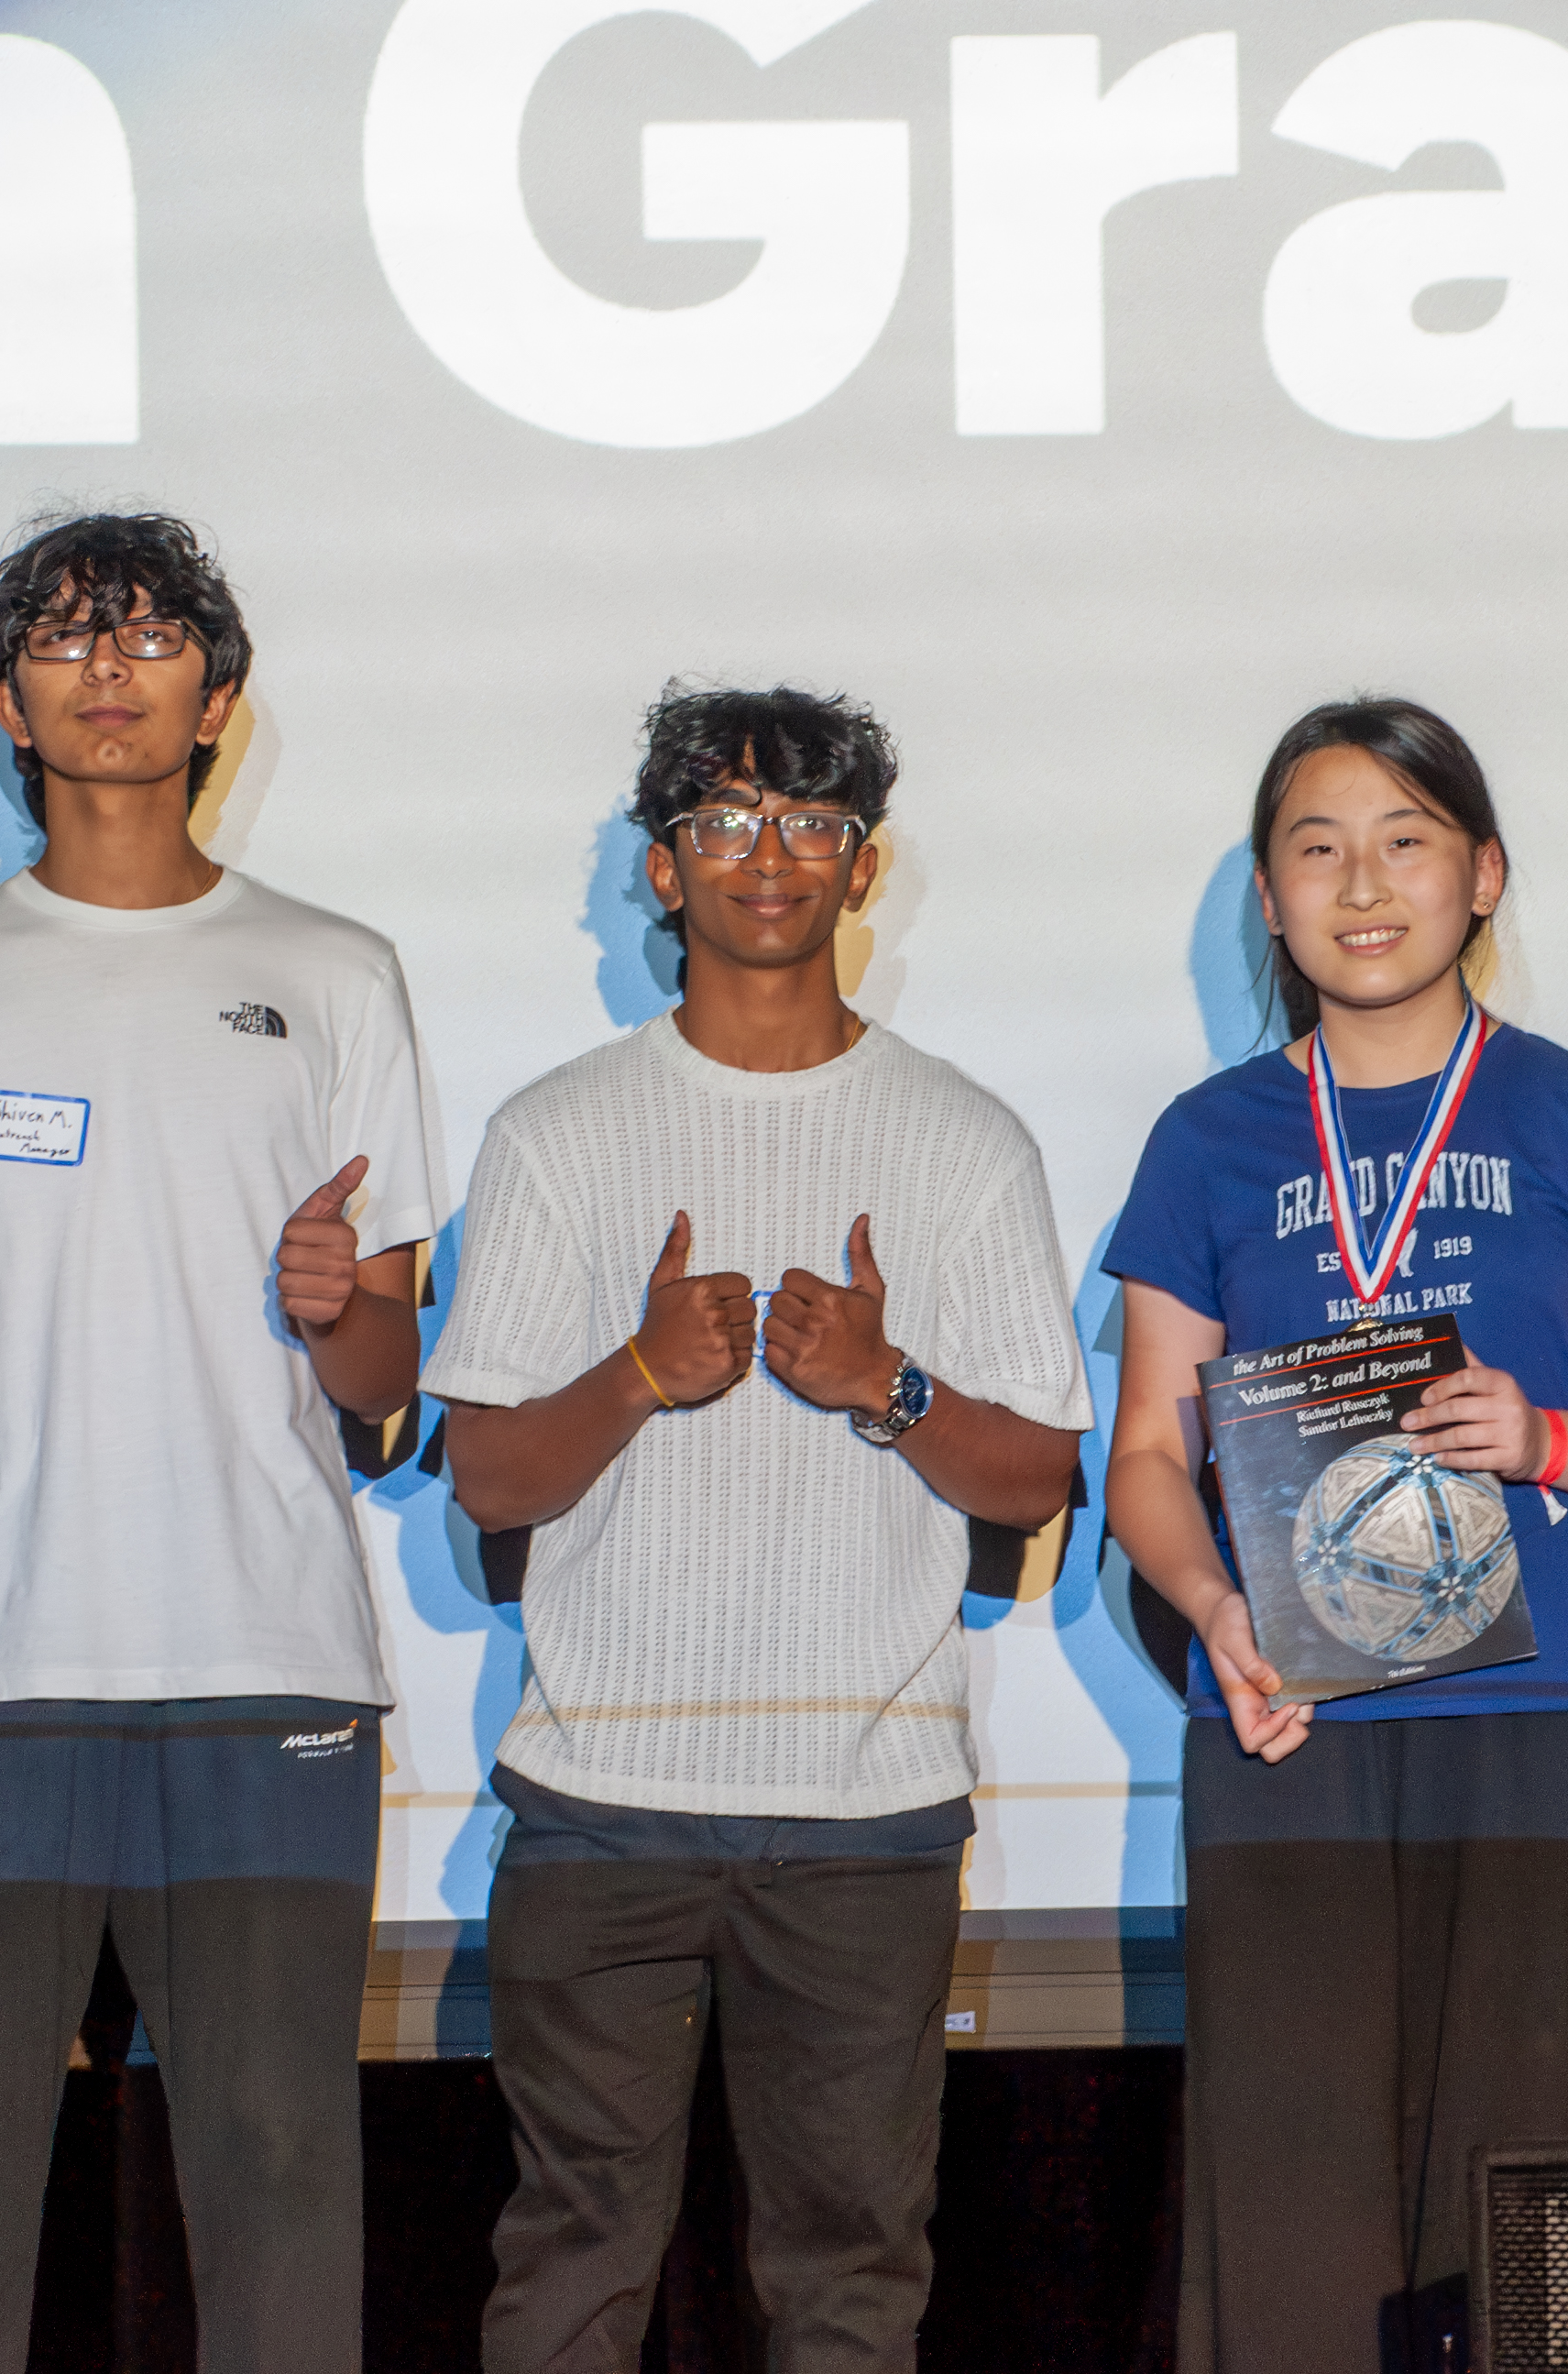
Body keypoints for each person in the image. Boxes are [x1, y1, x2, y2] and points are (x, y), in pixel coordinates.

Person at [0, 512, 444, 2374]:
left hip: (264, 1677)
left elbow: (390, 1379)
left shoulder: (334, 971)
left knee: (276, 2198)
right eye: (68, 640)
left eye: (153, 635)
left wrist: (342, 1300)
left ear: (219, 695)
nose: (111, 668)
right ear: (8, 699)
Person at [422, 685, 1088, 2374]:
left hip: (864, 1820)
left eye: (809, 824)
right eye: (726, 822)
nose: (768, 857)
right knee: (571, 2270)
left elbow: (1038, 1480)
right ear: (663, 870)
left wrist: (890, 1385)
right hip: (602, 1808)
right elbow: (488, 1478)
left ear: (863, 869)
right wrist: (643, 1370)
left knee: (852, 2282)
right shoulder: (555, 1133)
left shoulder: (964, 1140)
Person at [1101, 697, 1568, 2374]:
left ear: (1483, 875)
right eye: (1318, 848)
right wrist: (1203, 1606)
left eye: (1405, 840)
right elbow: (1147, 1463)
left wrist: (1544, 1435)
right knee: (1289, 2205)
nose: (1362, 882)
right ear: (1268, 895)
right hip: (1286, 1718)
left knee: (1515, 2216)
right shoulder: (1211, 1139)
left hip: (1534, 1720)